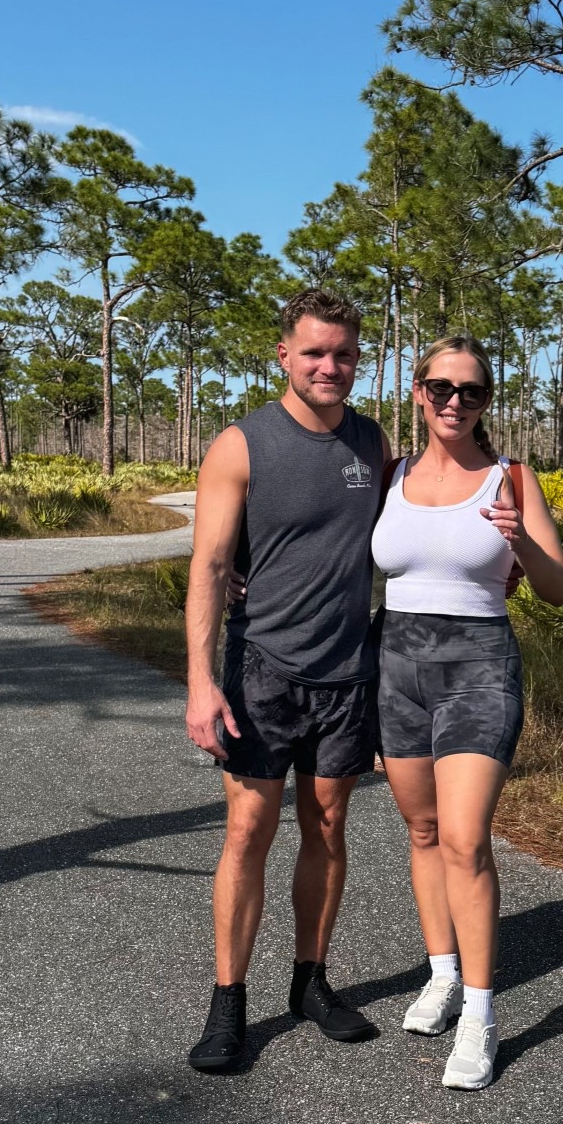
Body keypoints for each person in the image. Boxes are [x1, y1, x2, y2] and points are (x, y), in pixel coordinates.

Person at [183, 287, 390, 1074]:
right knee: (247, 832)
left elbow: (414, 526)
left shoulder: (370, 442)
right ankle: (228, 1000)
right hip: (261, 669)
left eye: (343, 354)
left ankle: (311, 981)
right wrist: (200, 683)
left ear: (357, 359)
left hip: (346, 673)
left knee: (327, 828)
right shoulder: (241, 445)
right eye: (313, 353)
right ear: (283, 356)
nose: (328, 366)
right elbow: (209, 566)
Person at [371, 337, 563, 1090]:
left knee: (463, 838)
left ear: (487, 401)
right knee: (423, 831)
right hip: (395, 665)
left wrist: (522, 543)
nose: (455, 402)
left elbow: (554, 588)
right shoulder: (389, 475)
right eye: (441, 388)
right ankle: (443, 975)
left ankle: (481, 1018)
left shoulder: (510, 478)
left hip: (479, 667)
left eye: (472, 391)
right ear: (418, 392)